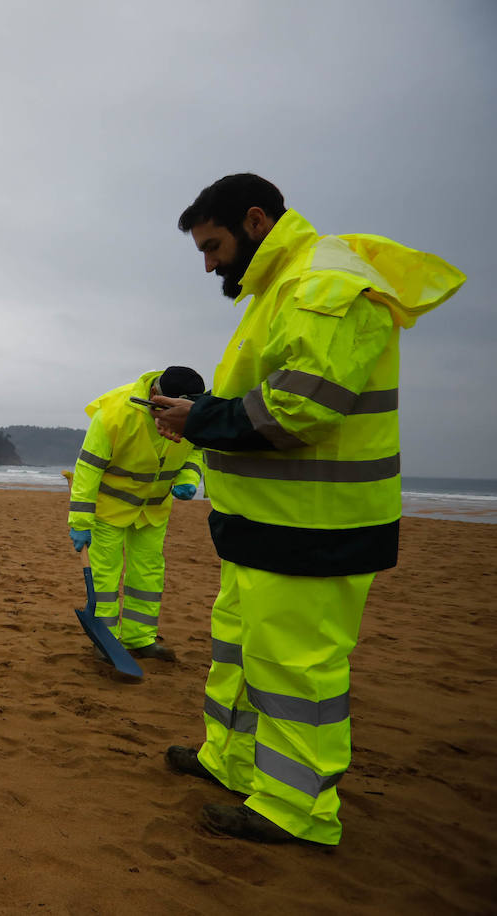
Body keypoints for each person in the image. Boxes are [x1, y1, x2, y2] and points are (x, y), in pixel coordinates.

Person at [152, 174, 466, 846]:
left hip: (315, 528)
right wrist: (203, 419)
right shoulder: (285, 286)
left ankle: (297, 810)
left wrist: (201, 418)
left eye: (213, 245)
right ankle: (229, 760)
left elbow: (305, 407)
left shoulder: (321, 284)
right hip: (267, 526)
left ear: (256, 221)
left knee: (295, 670)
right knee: (239, 651)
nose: (208, 264)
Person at [68, 367, 206, 662]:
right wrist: (80, 522)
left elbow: (196, 451)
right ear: (154, 396)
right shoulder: (114, 413)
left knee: (148, 573)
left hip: (154, 509)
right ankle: (105, 640)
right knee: (105, 575)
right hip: (110, 509)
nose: (171, 420)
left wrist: (188, 480)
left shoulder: (194, 414)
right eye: (165, 411)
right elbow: (88, 469)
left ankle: (140, 639)